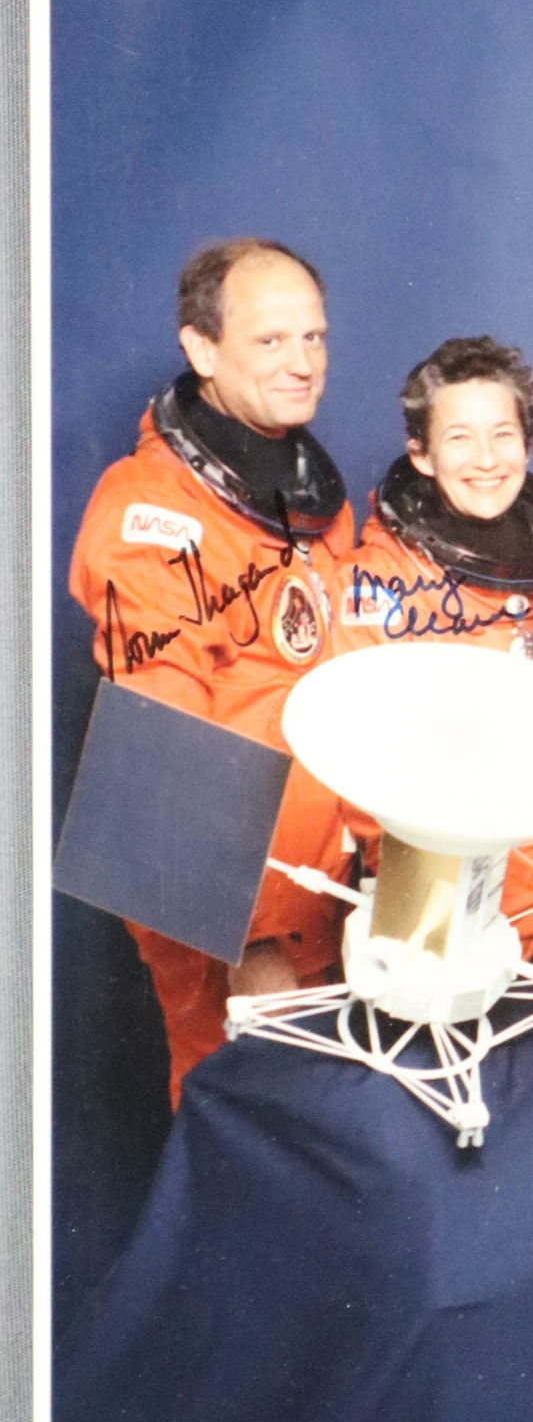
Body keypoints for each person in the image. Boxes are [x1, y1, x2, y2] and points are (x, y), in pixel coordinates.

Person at [68, 238, 353, 1103]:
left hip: (327, 898)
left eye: (314, 338)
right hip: (236, 924)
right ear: (201, 349)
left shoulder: (305, 500)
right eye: (271, 341)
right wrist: (251, 942)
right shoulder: (153, 516)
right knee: (245, 1134)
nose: (302, 364)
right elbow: (165, 758)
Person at [331, 335, 533, 966]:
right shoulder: (374, 589)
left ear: (528, 444)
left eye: (503, 435)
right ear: (420, 455)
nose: (487, 460)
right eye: (459, 438)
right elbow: (360, 781)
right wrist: (429, 940)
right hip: (440, 933)